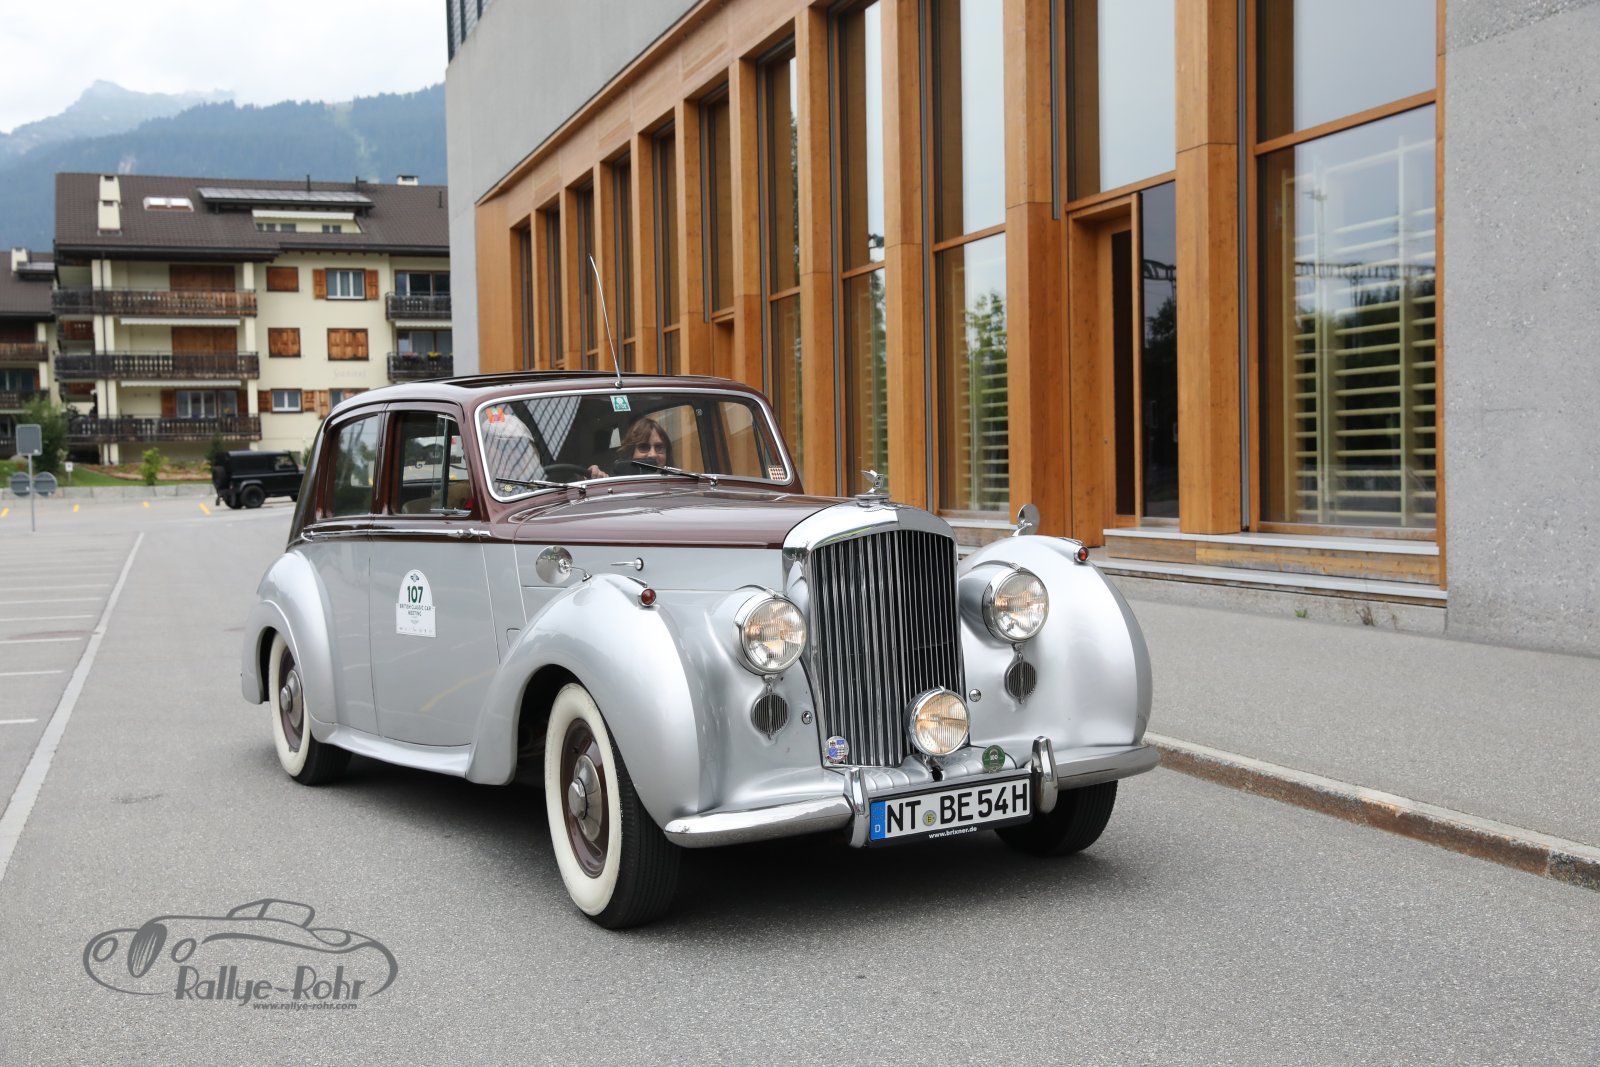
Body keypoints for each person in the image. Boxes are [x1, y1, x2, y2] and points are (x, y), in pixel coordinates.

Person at [588, 416, 671, 478]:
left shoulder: (677, 484)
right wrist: (597, 477)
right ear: (631, 453)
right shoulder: (616, 485)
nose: (653, 455)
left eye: (659, 447)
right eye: (644, 447)